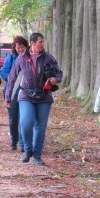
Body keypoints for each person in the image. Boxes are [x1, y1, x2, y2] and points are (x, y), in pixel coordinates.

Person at [5, 32, 62, 166]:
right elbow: (12, 79)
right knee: (25, 123)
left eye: (43, 42)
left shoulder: (48, 58)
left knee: (40, 127)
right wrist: (8, 98)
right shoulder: (21, 58)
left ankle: (37, 156)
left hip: (44, 96)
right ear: (32, 43)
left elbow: (59, 73)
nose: (43, 44)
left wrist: (55, 79)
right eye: (40, 42)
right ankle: (27, 149)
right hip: (26, 95)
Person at [0, 35, 29, 151]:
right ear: (15, 48)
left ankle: (22, 142)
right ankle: (14, 140)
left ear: (26, 47)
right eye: (18, 47)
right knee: (13, 119)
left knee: (23, 118)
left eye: (22, 47)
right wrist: (12, 79)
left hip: (25, 92)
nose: (20, 49)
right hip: (11, 91)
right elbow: (4, 72)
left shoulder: (29, 58)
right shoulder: (11, 58)